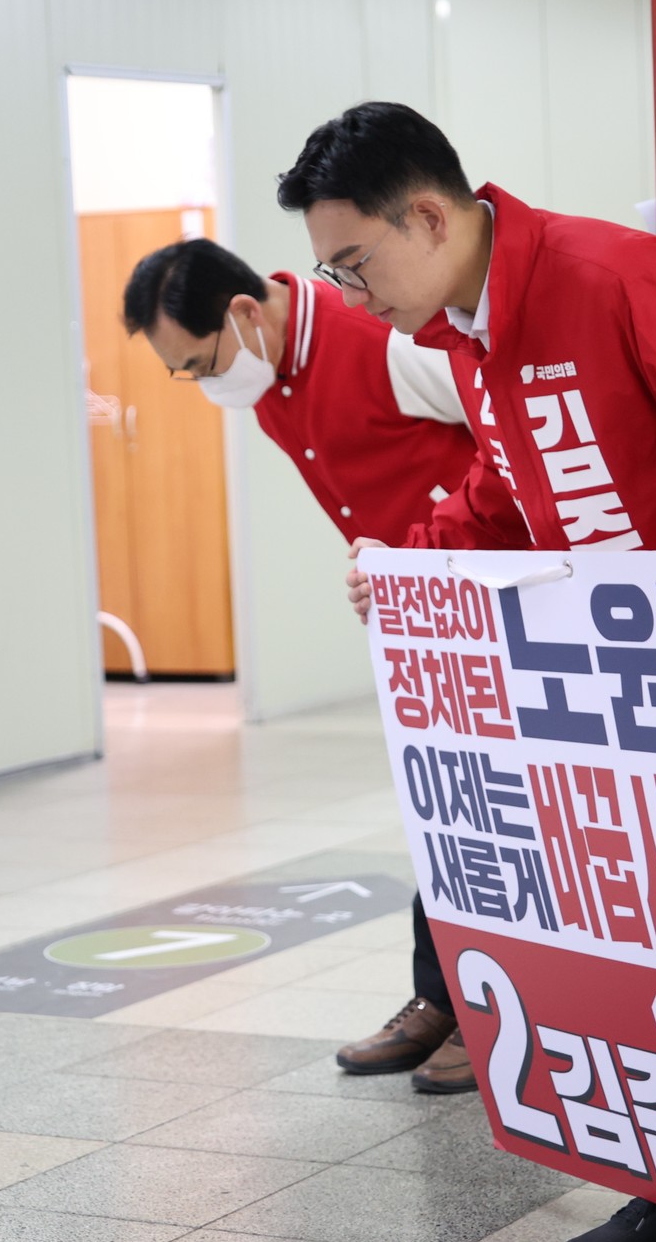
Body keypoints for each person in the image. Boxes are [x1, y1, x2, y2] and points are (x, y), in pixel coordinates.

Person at [276, 101, 656, 1242]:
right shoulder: (467, 334)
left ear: (426, 217)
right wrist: (411, 565)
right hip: (647, 694)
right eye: (333, 276)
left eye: (355, 265)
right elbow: (506, 493)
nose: (351, 298)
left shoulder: (613, 276)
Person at [123, 236, 519, 1095]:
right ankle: (443, 999)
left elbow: (511, 435)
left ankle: (503, 1012)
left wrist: (433, 545)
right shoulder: (267, 373)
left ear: (243, 312)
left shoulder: (383, 337)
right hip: (424, 621)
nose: (204, 384)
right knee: (446, 809)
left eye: (199, 364)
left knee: (509, 816)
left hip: (502, 601)